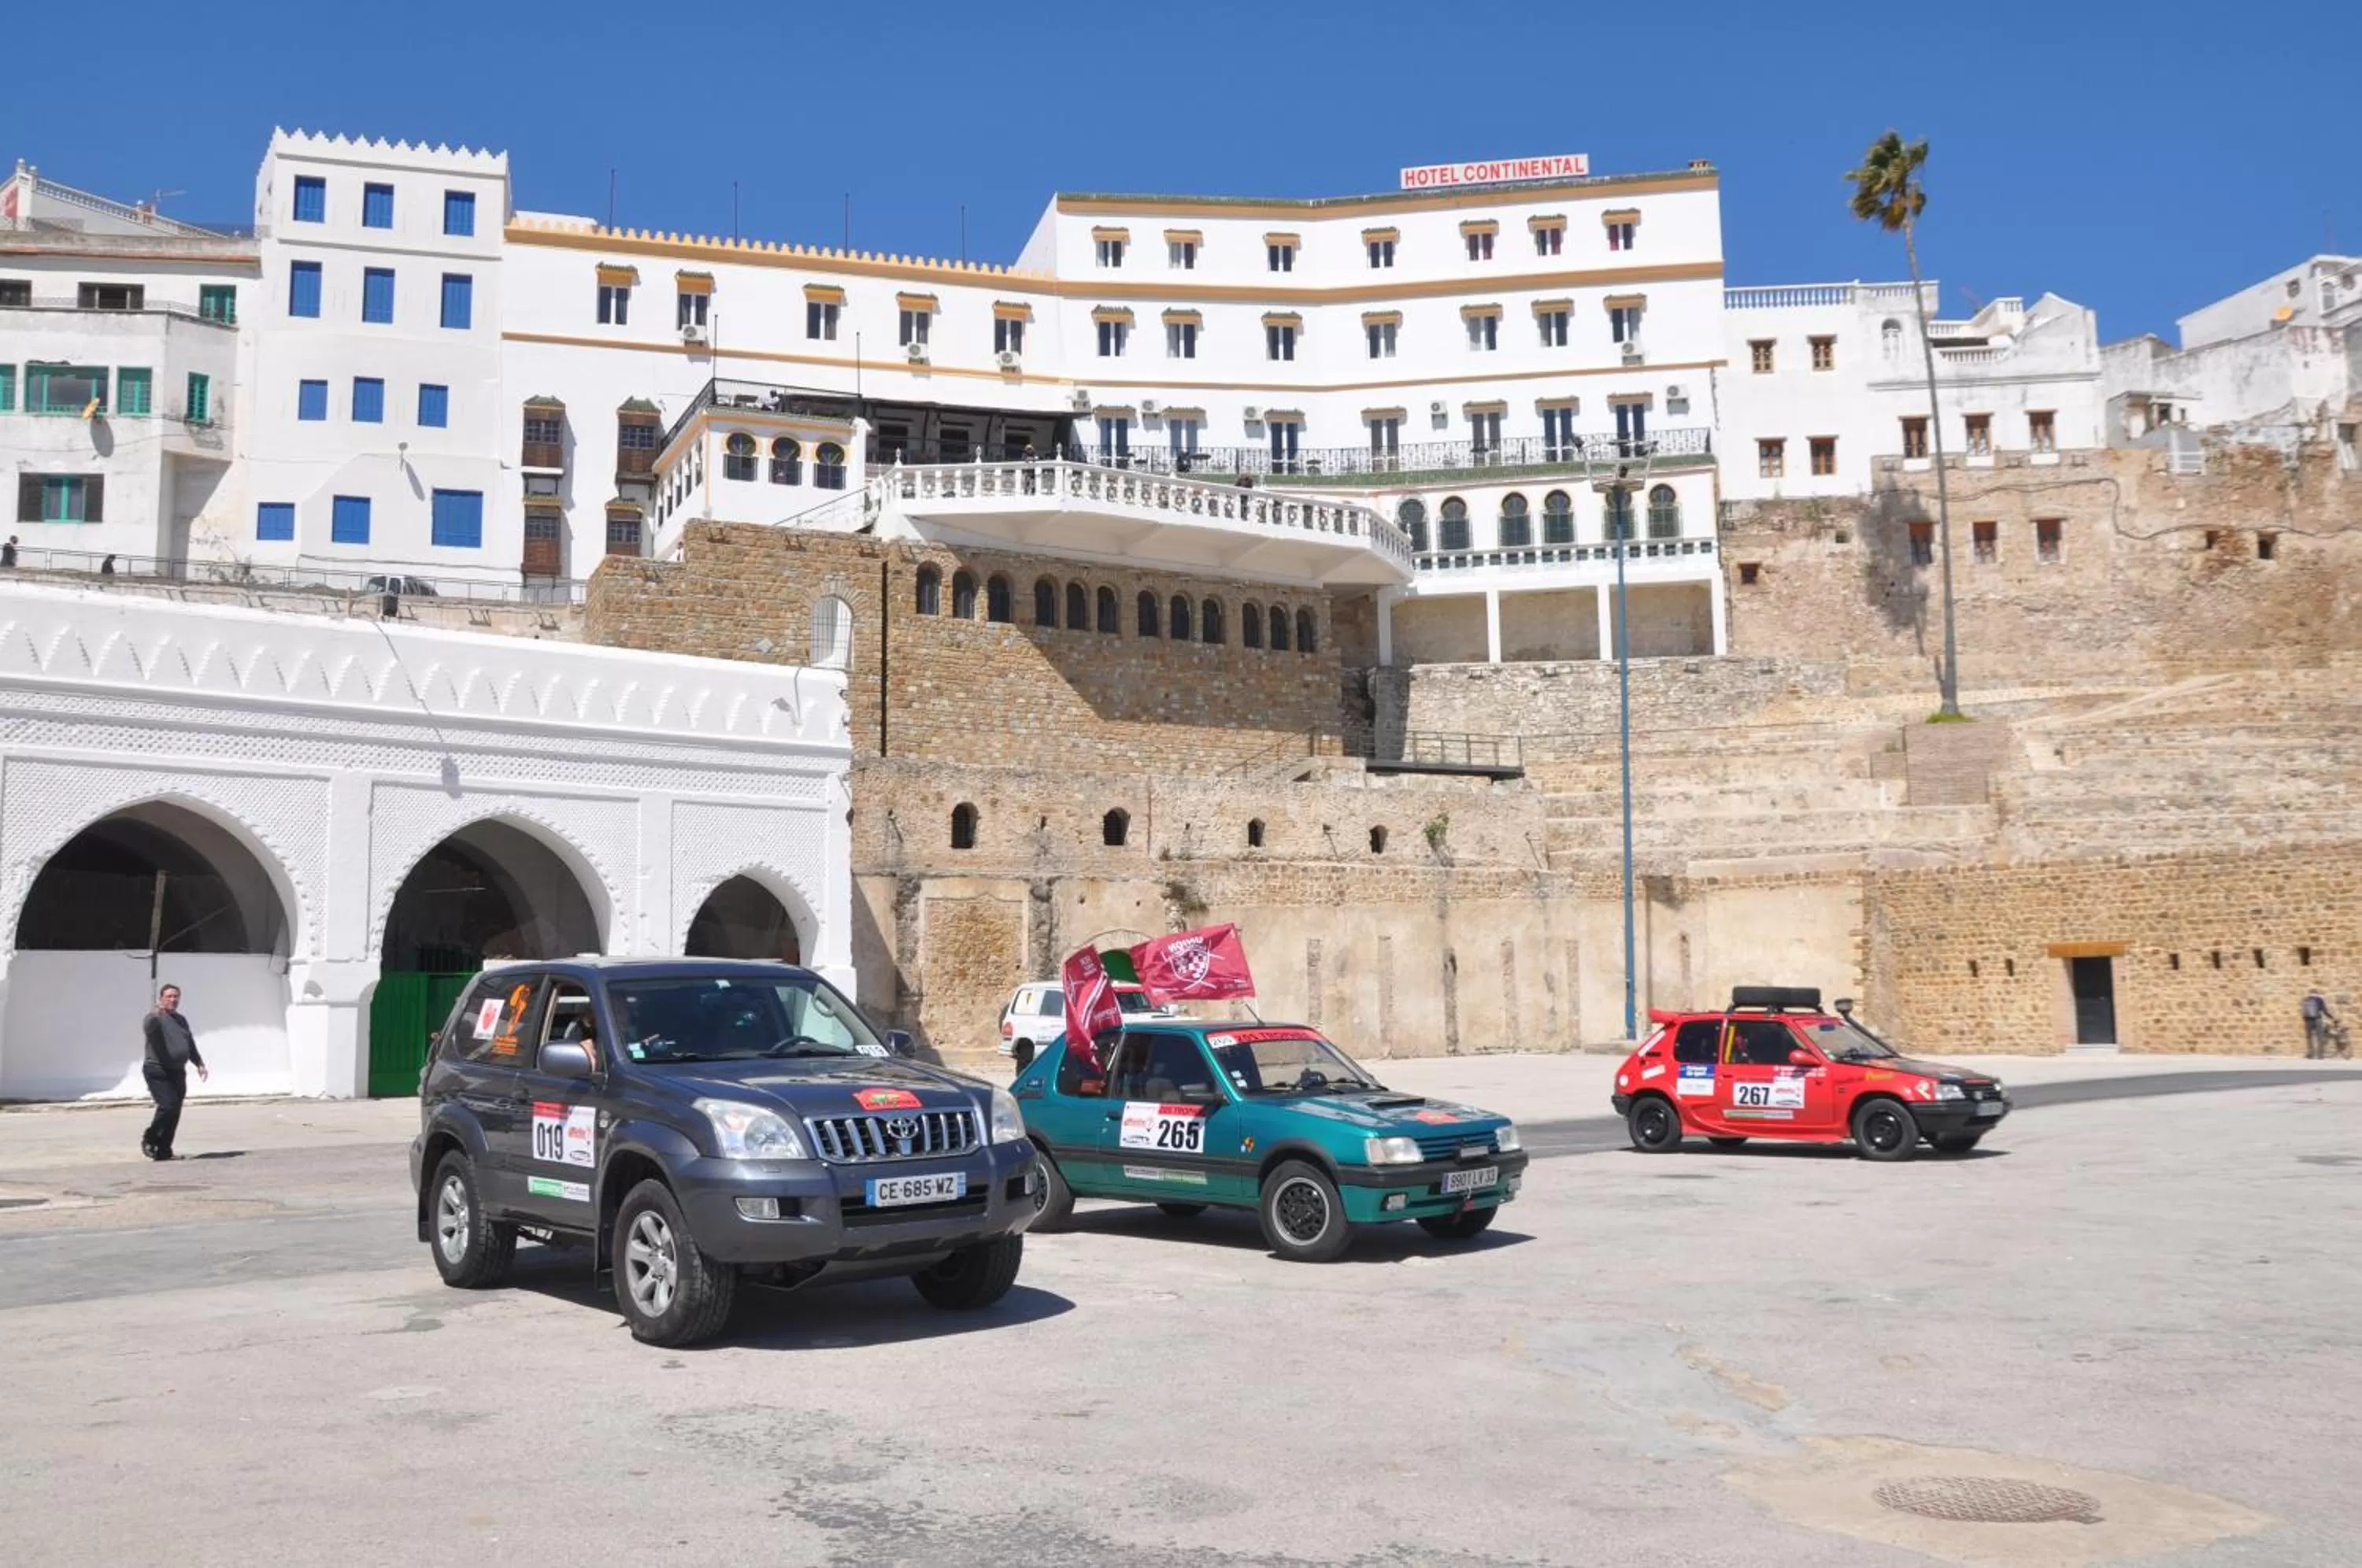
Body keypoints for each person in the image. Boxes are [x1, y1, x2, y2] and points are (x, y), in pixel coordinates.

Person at [140, 983, 209, 1160]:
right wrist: (155, 1014)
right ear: (161, 999)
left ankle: (164, 1150)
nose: (173, 1000)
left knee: (175, 1110)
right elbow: (149, 1027)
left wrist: (199, 1063)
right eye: (169, 996)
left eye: (176, 996)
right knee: (167, 1105)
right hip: (157, 1069)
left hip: (177, 1071)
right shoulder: (155, 1018)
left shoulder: (181, 1020)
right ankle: (150, 1137)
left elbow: (189, 1042)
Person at [2304, 989, 2336, 1059]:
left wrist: (2306, 1020)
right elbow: (2324, 1011)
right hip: (2317, 1020)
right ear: (2317, 993)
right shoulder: (2319, 1000)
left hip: (2308, 1021)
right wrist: (2331, 1017)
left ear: (2310, 993)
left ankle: (2311, 1054)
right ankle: (2320, 1055)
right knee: (2320, 1037)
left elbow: (2303, 1012)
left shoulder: (2306, 1000)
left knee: (2309, 1038)